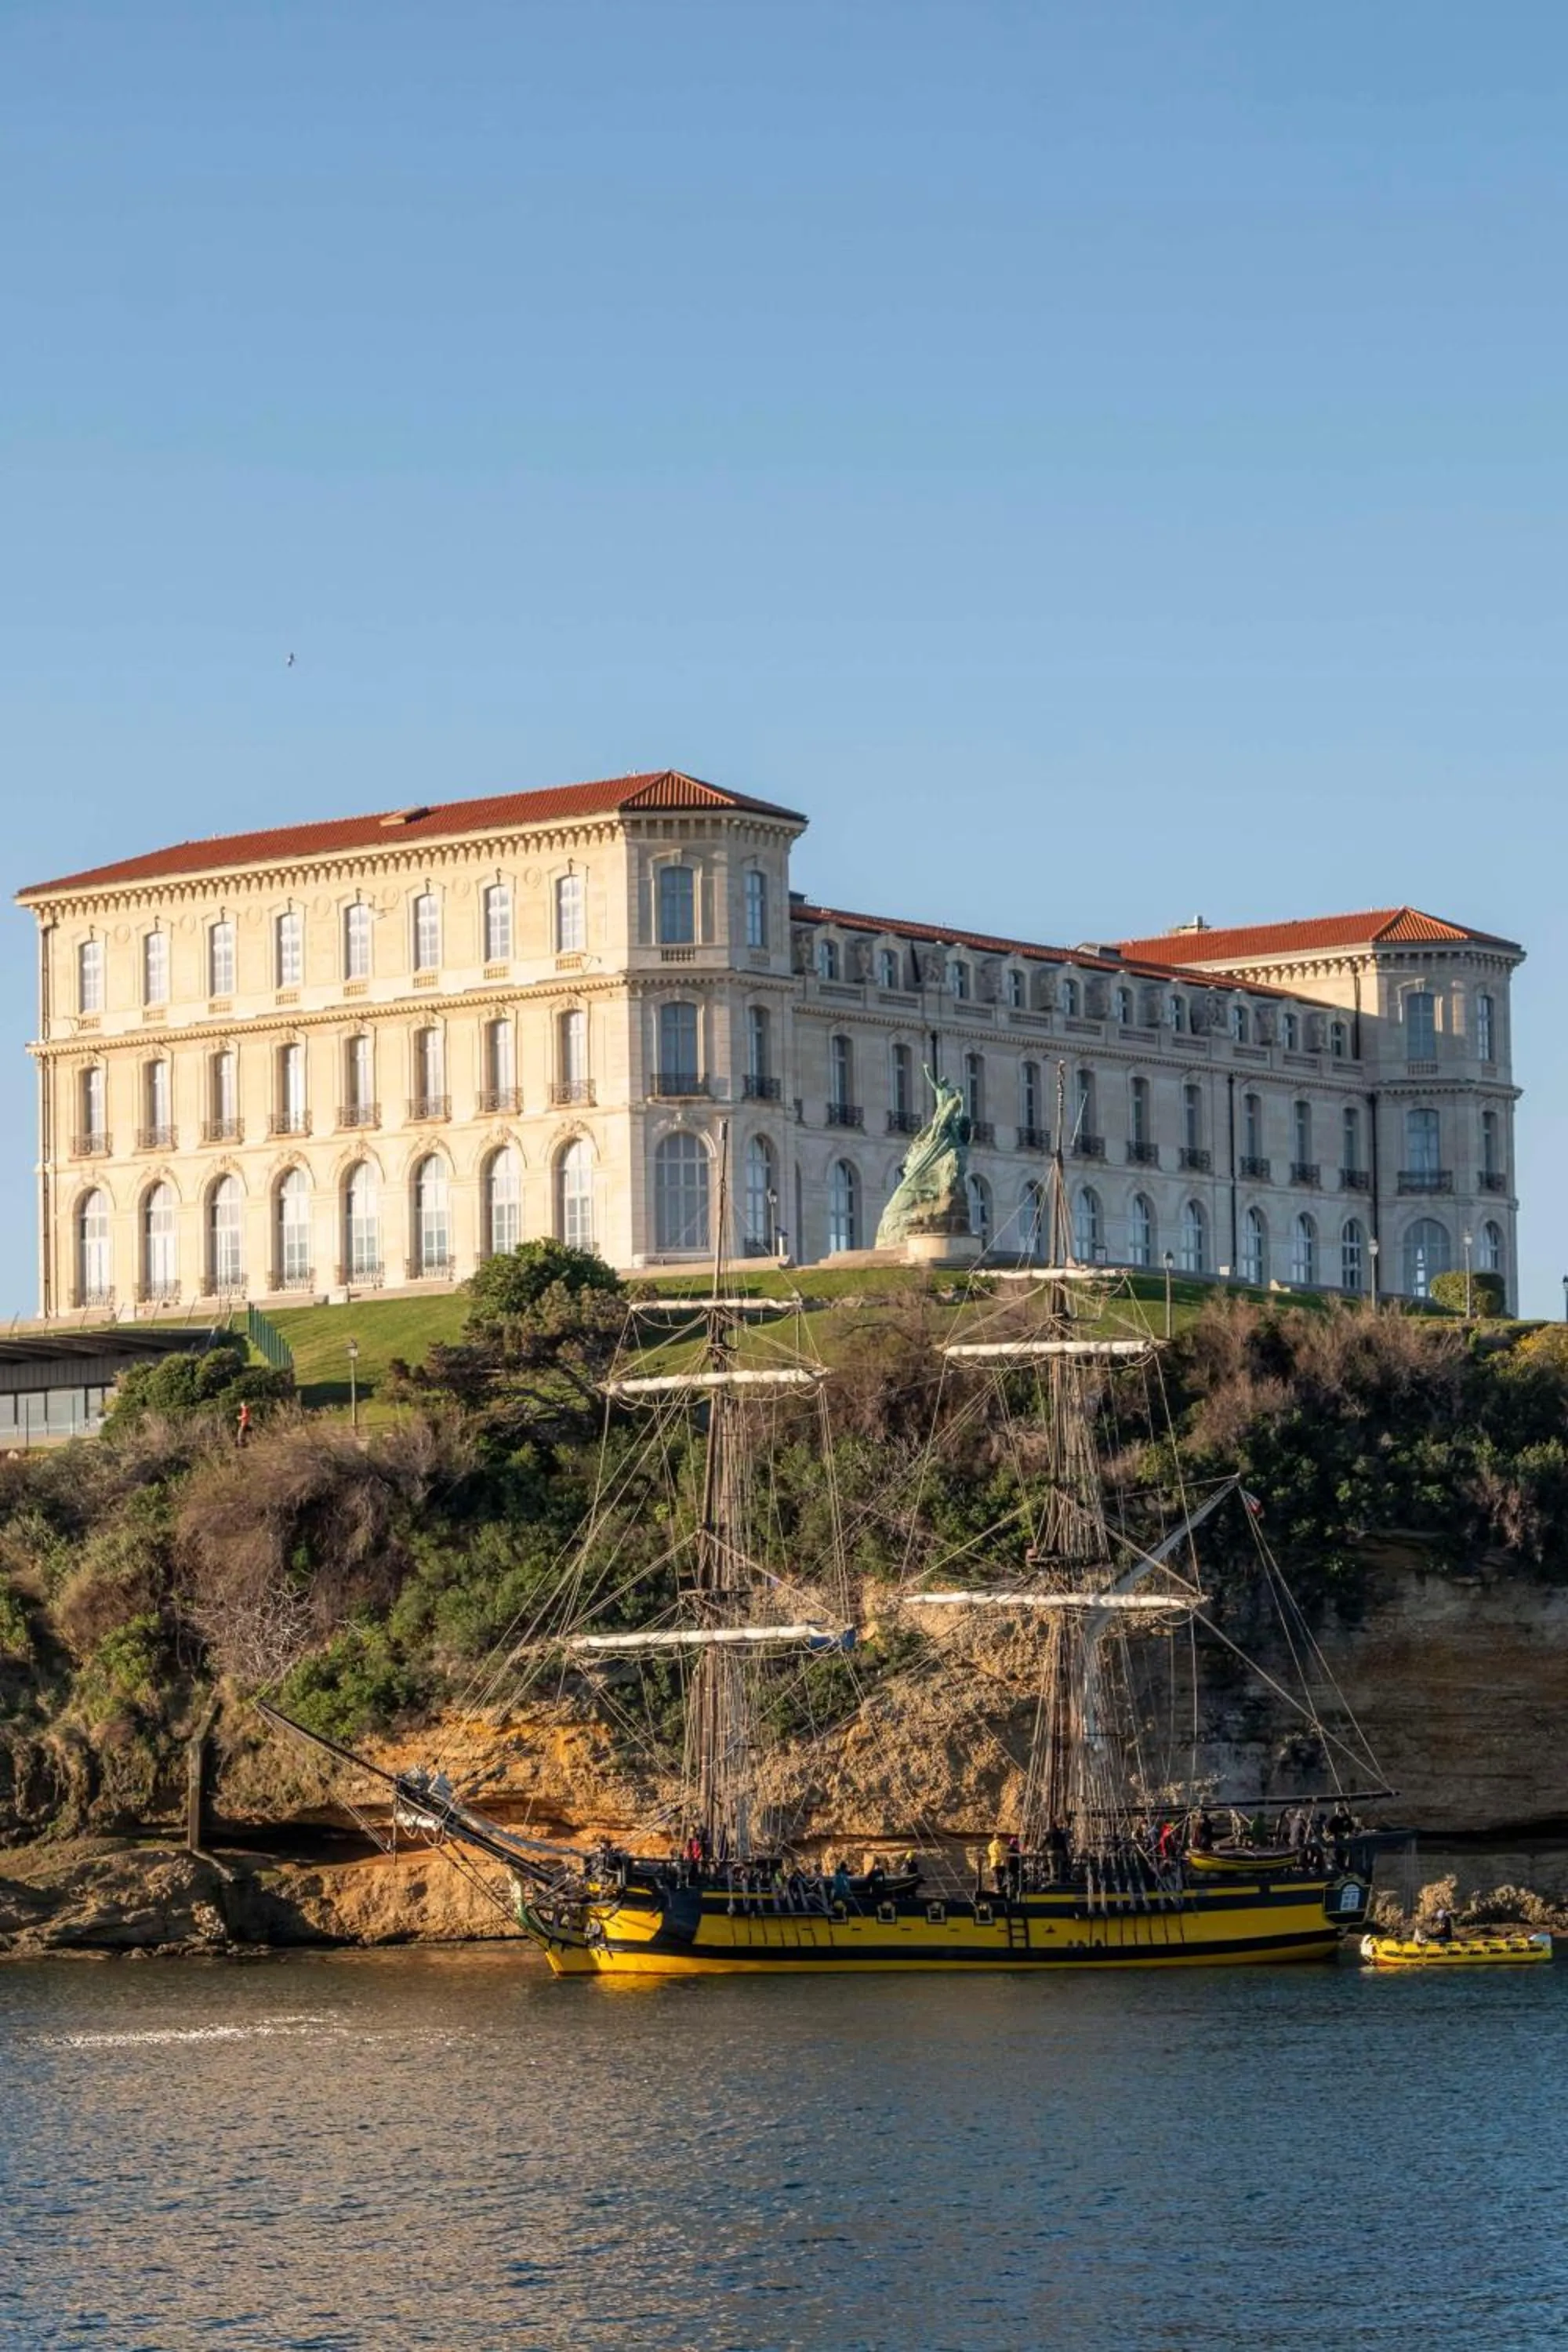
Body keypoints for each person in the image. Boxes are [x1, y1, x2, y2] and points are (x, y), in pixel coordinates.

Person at [986, 1831, 1009, 1896]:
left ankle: (997, 1888)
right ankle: (1000, 1888)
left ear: (994, 1837)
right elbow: (1005, 1854)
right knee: (1001, 1877)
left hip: (994, 1863)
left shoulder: (991, 1845)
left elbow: (990, 1853)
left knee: (996, 1876)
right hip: (1002, 1863)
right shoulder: (1002, 1845)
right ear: (1000, 1838)